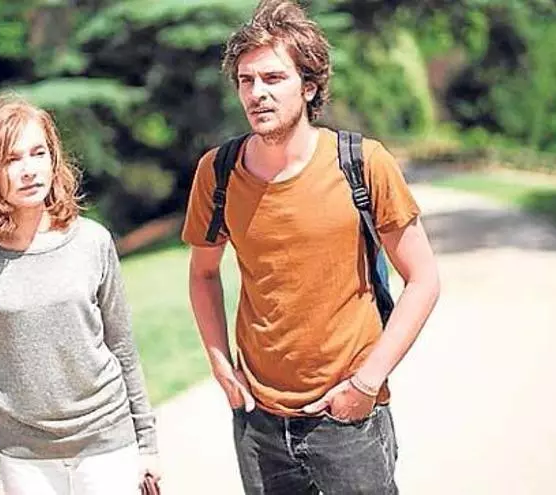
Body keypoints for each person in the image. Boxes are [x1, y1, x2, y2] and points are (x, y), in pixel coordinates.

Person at [181, 1, 440, 493]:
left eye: (273, 78)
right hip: (258, 421)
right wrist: (220, 364)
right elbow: (203, 273)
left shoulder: (363, 163)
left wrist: (366, 384)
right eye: (245, 80)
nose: (257, 93)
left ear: (309, 85)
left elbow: (423, 279)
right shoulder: (217, 173)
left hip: (348, 418)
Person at [0, 93, 159, 495]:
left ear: (53, 159)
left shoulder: (93, 241)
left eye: (38, 153)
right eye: (11, 159)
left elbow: (122, 346)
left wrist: (147, 445)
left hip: (108, 444)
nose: (28, 170)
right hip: (24, 461)